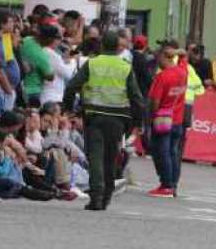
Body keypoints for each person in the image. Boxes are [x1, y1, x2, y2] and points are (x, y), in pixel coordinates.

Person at [63, 30, 145, 211]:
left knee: (95, 157)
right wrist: (138, 124)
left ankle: (96, 197)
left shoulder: (92, 64)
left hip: (94, 117)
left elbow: (71, 87)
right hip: (117, 119)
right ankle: (106, 196)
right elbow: (137, 98)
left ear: (101, 46)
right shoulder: (125, 67)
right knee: (109, 158)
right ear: (117, 47)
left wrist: (69, 109)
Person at [147, 46, 187, 198]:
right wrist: (177, 53)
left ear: (164, 57)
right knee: (173, 153)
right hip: (178, 119)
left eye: (158, 59)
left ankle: (166, 186)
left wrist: (152, 116)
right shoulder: (183, 71)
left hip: (163, 120)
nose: (157, 63)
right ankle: (173, 184)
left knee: (162, 153)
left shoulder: (162, 76)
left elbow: (155, 101)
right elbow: (184, 54)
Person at [39, 25, 77, 106]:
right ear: (52, 39)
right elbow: (68, 74)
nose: (60, 41)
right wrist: (73, 61)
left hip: (49, 94)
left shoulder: (43, 51)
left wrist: (66, 60)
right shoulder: (51, 54)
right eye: (58, 38)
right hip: (51, 96)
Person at [19, 26, 53, 108]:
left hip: (21, 86)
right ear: (48, 39)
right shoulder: (41, 55)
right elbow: (50, 76)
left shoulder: (27, 39)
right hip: (33, 90)